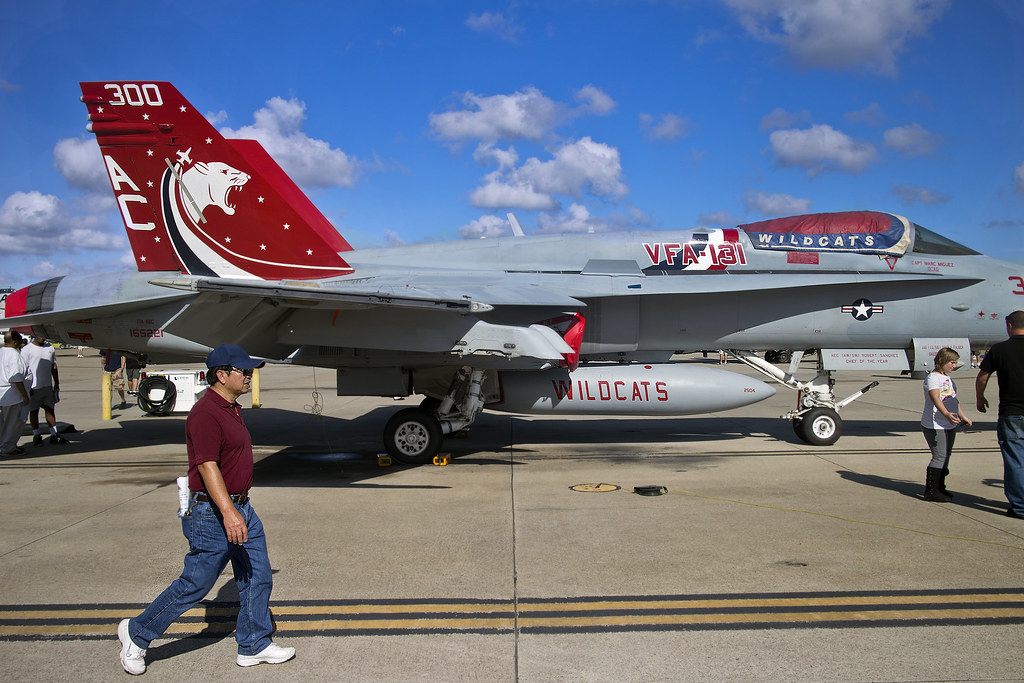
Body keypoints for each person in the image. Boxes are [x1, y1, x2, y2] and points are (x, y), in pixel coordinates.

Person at [118, 344, 294, 675]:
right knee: (196, 584)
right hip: (213, 513)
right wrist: (229, 513)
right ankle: (137, 633)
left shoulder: (231, 408)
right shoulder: (206, 413)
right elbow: (207, 465)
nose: (249, 376)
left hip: (241, 506)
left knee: (258, 575)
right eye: (243, 371)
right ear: (221, 375)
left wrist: (238, 510)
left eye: (250, 371)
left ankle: (253, 644)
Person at [976, 310, 1024, 519]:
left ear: (1009, 326)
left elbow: (982, 377)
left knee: (1016, 460)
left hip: (1012, 412)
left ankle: (1020, 507)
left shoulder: (1000, 349)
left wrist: (980, 398)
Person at [920, 347, 972, 501]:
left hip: (949, 423)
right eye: (952, 362)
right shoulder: (933, 378)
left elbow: (953, 399)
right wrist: (946, 414)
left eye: (955, 363)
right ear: (941, 360)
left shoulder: (948, 378)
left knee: (946, 456)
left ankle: (940, 487)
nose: (954, 366)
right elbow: (936, 398)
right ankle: (931, 491)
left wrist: (962, 416)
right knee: (939, 455)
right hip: (935, 424)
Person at [21, 336, 70, 446]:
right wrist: (27, 387)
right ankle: (36, 435)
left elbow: (54, 366)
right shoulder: (26, 350)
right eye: (40, 336)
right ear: (34, 335)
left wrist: (56, 383)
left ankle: (54, 434)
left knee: (50, 410)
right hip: (33, 387)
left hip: (47, 386)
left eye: (44, 337)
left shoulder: (50, 348)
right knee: (34, 411)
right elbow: (23, 369)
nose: (42, 338)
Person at [0, 330, 30, 455]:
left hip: (3, 394)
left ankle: (4, 444)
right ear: (14, 342)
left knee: (3, 423)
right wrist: (24, 395)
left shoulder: (1, 352)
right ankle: (8, 447)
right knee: (13, 423)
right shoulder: (13, 355)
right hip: (13, 394)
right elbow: (16, 377)